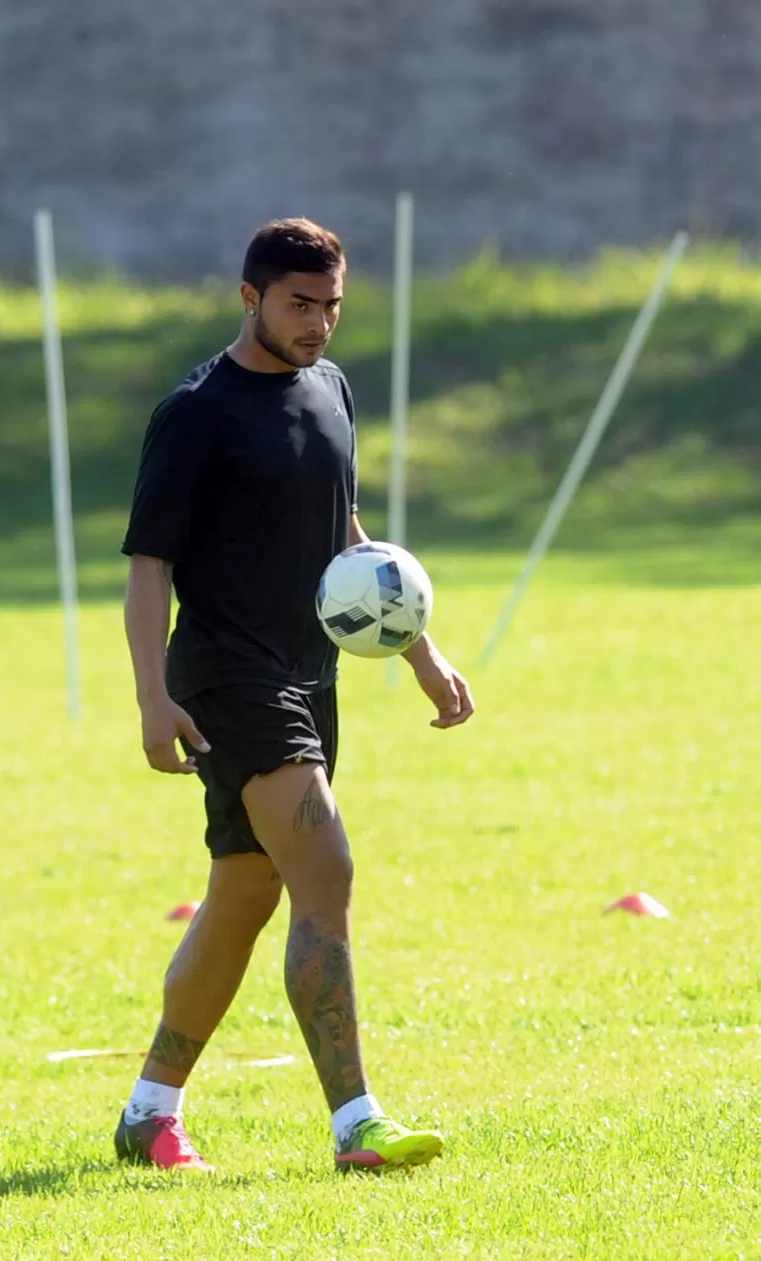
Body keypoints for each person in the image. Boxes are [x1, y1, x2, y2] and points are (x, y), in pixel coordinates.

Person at [117, 218, 475, 1174]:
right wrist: (153, 699)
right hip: (229, 677)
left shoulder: (333, 390)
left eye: (332, 307)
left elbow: (347, 534)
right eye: (299, 305)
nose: (318, 324)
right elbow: (149, 566)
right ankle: (357, 1123)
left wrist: (421, 654)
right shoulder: (196, 413)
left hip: (309, 673)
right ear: (251, 299)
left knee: (242, 892)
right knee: (328, 872)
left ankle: (148, 1112)